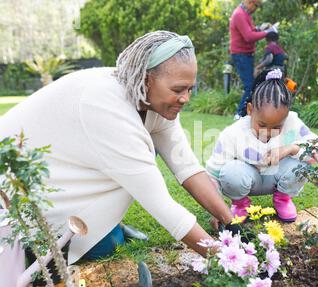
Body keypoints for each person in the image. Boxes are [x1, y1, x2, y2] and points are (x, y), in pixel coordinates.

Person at [0, 31, 236, 267]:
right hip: (24, 185)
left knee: (141, 154)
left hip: (74, 163)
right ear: (146, 80)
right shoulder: (108, 107)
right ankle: (92, 231)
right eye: (178, 90)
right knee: (105, 246)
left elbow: (186, 166)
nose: (185, 98)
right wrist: (230, 261)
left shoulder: (157, 103)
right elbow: (161, 205)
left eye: (190, 89)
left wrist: (230, 220)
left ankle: (105, 224)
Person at [206, 68, 318, 223]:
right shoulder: (233, 133)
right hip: (246, 178)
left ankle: (283, 199)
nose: (268, 132)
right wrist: (216, 209)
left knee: (301, 166)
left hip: (277, 177)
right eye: (261, 124)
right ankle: (241, 204)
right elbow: (213, 173)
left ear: (286, 116)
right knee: (230, 171)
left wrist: (291, 149)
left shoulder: (292, 123)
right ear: (250, 110)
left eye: (277, 127)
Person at [229, 0, 277, 120]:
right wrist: (267, 32)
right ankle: (240, 114)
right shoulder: (239, 14)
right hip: (241, 54)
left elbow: (251, 31)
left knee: (251, 85)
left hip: (246, 54)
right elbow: (248, 36)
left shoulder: (245, 15)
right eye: (256, 5)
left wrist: (260, 28)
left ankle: (244, 114)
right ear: (250, 2)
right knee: (250, 85)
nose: (256, 8)